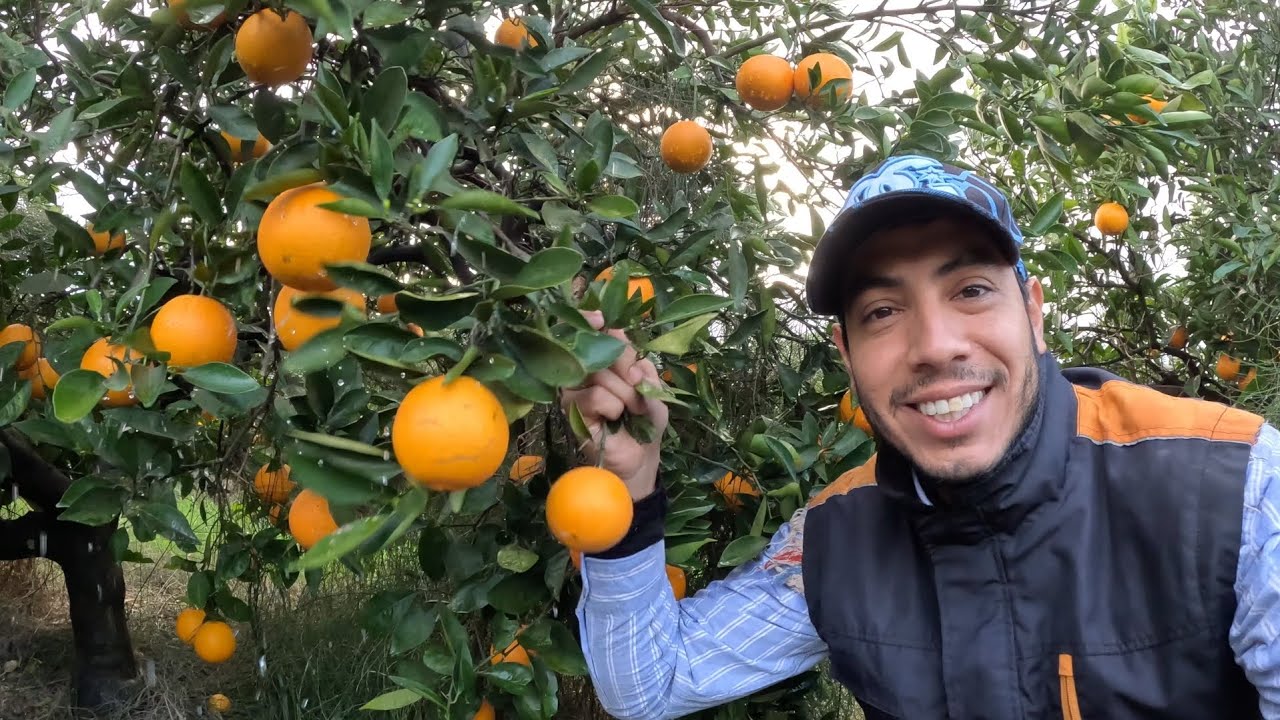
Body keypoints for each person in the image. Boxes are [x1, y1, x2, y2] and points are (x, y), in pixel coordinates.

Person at [558, 154, 1280, 720]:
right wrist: (628, 486)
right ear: (845, 355)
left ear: (1033, 313)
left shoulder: (1232, 490)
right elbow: (649, 684)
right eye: (881, 311)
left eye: (969, 289)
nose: (934, 346)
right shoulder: (835, 538)